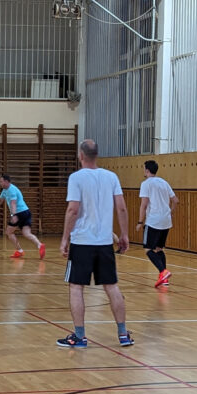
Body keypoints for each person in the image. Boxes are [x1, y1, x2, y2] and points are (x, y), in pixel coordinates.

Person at [57, 139, 133, 348]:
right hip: (104, 243)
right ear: (96, 155)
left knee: (76, 287)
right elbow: (122, 208)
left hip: (82, 242)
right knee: (112, 286)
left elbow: (73, 209)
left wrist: (65, 238)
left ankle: (80, 336)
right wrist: (124, 235)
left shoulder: (76, 178)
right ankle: (123, 334)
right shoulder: (111, 177)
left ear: (81, 155)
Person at [136, 159, 178, 288]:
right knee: (159, 249)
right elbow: (176, 200)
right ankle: (164, 279)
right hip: (166, 220)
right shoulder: (164, 182)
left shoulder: (146, 184)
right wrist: (170, 212)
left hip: (153, 221)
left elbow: (144, 205)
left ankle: (163, 271)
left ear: (147, 170)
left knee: (148, 249)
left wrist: (140, 222)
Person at [0, 173, 45, 259]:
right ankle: (40, 245)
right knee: (27, 233)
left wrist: (13, 215)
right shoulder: (5, 190)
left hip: (19, 213)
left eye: (1, 181)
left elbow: (13, 203)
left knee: (9, 232)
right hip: (26, 212)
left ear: (6, 181)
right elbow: (0, 200)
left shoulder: (11, 190)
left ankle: (19, 251)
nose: (0, 183)